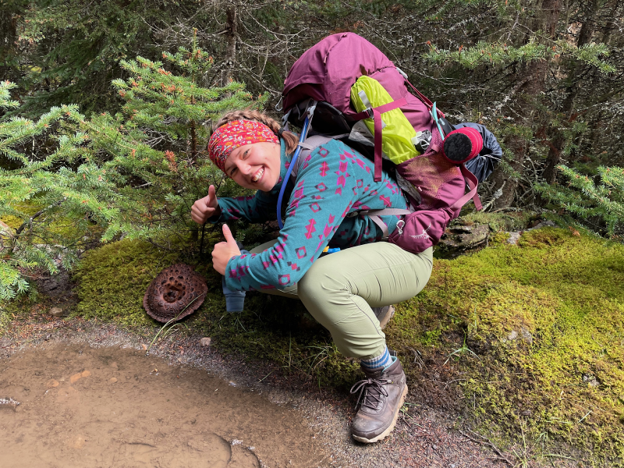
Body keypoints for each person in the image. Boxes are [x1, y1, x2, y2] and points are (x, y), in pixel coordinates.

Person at [191, 110, 433, 444]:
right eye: (233, 169)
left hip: (404, 256)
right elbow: (263, 209)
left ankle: (386, 375)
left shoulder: (326, 165)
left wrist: (234, 267)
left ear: (268, 135)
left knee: (314, 280)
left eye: (246, 153)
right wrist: (220, 210)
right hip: (359, 249)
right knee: (266, 257)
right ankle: (367, 308)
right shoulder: (290, 163)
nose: (246, 171)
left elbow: (283, 269)